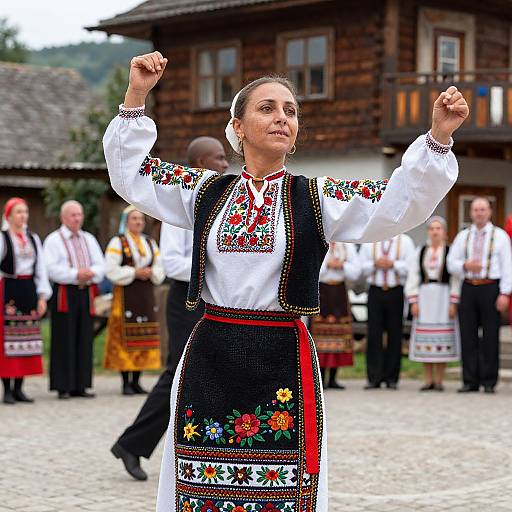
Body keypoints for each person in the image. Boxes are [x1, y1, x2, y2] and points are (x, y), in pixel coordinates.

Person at [103, 50, 467, 511]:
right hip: (211, 355)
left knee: (283, 488)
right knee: (200, 485)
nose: (282, 118)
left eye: (290, 111)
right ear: (237, 128)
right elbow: (131, 174)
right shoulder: (203, 192)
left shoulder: (319, 197)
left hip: (283, 359)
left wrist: (437, 136)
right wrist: (137, 93)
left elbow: (395, 205)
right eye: (267, 108)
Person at [111, 136, 229, 481]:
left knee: (211, 375)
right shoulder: (181, 208)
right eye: (219, 158)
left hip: (213, 301)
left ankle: (210, 450)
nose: (225, 164)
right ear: (201, 163)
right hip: (186, 299)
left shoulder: (222, 203)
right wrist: (214, 264)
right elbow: (173, 264)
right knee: (178, 374)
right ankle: (132, 444)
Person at [447, 198, 512, 393]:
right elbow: (451, 263)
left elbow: (508, 267)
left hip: (491, 287)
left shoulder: (500, 236)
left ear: (490, 212)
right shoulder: (463, 236)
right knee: (468, 335)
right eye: (476, 210)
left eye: (483, 209)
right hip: (468, 287)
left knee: (490, 335)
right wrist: (465, 266)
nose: (479, 213)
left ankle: (489, 381)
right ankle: (470, 380)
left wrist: (505, 293)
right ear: (471, 213)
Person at [43, 200, 104, 399]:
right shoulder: (54, 240)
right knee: (64, 337)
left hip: (86, 292)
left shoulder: (88, 238)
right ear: (63, 217)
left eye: (79, 214)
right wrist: (76, 274)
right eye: (73, 215)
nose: (77, 218)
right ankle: (63, 385)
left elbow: (100, 266)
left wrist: (89, 274)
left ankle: (82, 384)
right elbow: (51, 269)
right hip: (65, 293)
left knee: (85, 336)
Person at [104, 206, 165, 395]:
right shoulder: (118, 242)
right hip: (125, 294)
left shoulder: (149, 243)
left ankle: (137, 380)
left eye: (141, 219)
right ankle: (125, 381)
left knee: (144, 337)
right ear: (126, 221)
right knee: (125, 336)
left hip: (145, 294)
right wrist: (133, 272)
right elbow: (110, 269)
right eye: (134, 219)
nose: (138, 222)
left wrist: (150, 273)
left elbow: (160, 266)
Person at [0, 198, 52, 404]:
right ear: (9, 215)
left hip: (28, 289)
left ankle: (20, 388)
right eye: (19, 212)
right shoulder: (3, 238)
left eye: (25, 212)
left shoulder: (33, 238)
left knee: (26, 341)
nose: (23, 216)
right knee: (7, 341)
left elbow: (41, 269)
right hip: (9, 289)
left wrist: (42, 296)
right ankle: (7, 390)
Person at [405, 216, 461, 391]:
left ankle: (439, 380)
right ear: (428, 232)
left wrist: (454, 301)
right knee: (425, 337)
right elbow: (413, 275)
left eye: (438, 229)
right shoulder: (421, 251)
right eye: (432, 229)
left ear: (444, 232)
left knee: (442, 336)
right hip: (425, 295)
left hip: (443, 296)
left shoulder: (450, 251)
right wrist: (413, 300)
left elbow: (455, 278)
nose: (435, 232)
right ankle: (428, 379)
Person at [359, 234, 415, 389]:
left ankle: (392, 377)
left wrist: (393, 264)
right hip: (375, 291)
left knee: (395, 334)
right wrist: (375, 264)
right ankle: (374, 377)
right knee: (374, 334)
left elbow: (410, 267)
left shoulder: (405, 241)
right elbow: (361, 268)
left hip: (395, 291)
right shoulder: (370, 240)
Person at [310, 242, 360, 389]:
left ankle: (333, 378)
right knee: (320, 334)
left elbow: (356, 272)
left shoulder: (347, 246)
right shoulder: (320, 242)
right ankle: (321, 377)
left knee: (340, 333)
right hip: (322, 291)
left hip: (339, 292)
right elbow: (312, 269)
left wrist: (342, 266)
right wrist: (328, 266)